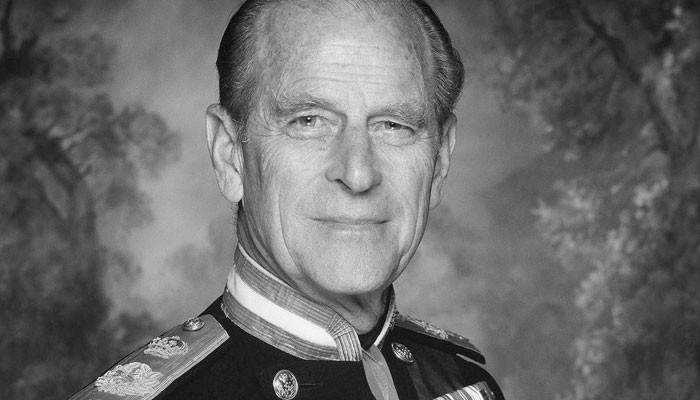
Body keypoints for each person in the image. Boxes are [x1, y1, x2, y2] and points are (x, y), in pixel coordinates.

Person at [70, 0, 505, 399]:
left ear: (440, 160)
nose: (358, 174)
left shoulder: (464, 385)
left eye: (394, 125)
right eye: (308, 121)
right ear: (229, 155)